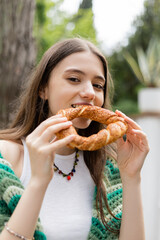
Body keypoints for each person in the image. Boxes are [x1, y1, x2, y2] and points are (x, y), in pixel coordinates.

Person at [0, 38, 149, 240]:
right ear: (43, 88)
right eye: (74, 79)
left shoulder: (108, 170)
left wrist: (132, 178)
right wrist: (38, 182)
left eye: (98, 85)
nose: (89, 93)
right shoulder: (5, 157)